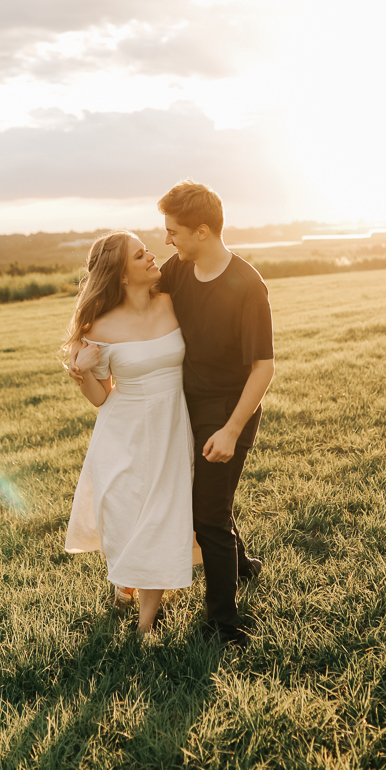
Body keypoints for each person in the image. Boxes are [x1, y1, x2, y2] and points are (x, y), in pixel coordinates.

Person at [158, 181, 275, 647]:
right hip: (184, 405)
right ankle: (243, 567)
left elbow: (264, 367)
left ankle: (226, 629)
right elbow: (137, 299)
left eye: (174, 232)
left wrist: (231, 429)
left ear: (202, 232)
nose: (167, 240)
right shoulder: (178, 270)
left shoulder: (247, 285)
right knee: (209, 502)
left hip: (229, 410)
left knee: (207, 516)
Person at [62, 230, 195, 635]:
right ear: (121, 275)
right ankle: (125, 581)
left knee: (160, 517)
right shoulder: (100, 326)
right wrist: (81, 371)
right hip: (122, 433)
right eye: (140, 256)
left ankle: (145, 624)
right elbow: (101, 397)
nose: (152, 256)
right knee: (123, 516)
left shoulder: (174, 304)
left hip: (171, 427)